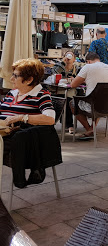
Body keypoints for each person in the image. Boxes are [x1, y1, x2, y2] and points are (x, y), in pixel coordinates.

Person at [0, 59, 59, 188]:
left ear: (29, 80)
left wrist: (22, 117)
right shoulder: (12, 93)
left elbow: (50, 119)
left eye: (15, 76)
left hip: (18, 142)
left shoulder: (41, 95)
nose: (11, 79)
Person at [70, 52, 108, 139]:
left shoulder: (88, 67)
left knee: (73, 103)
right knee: (99, 98)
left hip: (94, 105)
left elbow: (73, 85)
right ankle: (92, 128)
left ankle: (89, 129)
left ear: (88, 61)